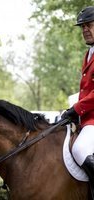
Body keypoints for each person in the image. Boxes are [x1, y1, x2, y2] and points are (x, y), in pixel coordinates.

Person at [61, 6, 94, 198]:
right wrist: (71, 112)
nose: (85, 30)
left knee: (80, 149)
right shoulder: (89, 54)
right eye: (82, 27)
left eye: (89, 25)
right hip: (86, 118)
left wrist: (76, 109)